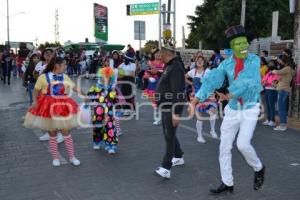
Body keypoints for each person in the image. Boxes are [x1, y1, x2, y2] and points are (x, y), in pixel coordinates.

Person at [189, 25, 265, 194]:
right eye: (238, 43)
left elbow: (248, 80)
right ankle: (227, 182)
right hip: (232, 110)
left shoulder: (254, 60)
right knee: (224, 147)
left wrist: (229, 94)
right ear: (232, 47)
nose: (243, 46)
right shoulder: (225, 64)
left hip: (250, 107)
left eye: (245, 42)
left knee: (243, 144)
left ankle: (258, 168)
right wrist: (195, 100)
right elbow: (211, 80)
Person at [24, 57, 86, 167]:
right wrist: (34, 101)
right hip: (47, 107)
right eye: (64, 64)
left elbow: (75, 88)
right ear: (57, 65)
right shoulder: (43, 77)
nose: (66, 66)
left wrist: (85, 95)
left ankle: (72, 157)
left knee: (66, 133)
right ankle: (55, 157)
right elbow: (35, 90)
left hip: (62, 107)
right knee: (52, 133)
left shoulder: (65, 77)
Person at [154, 43, 185, 179]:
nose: (159, 57)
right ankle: (178, 156)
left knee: (169, 136)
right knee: (169, 133)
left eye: (161, 54)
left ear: (168, 54)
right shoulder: (170, 66)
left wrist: (176, 113)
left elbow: (178, 92)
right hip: (165, 106)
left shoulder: (176, 67)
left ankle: (166, 167)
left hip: (170, 107)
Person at [185, 55, 218, 143]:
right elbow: (184, 77)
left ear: (204, 62)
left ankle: (212, 130)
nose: (199, 62)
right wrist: (191, 83)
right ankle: (199, 136)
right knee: (199, 116)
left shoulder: (208, 71)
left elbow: (213, 82)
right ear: (195, 62)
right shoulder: (193, 71)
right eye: (198, 60)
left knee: (213, 111)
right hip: (197, 96)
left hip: (207, 95)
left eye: (201, 60)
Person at [88, 64, 119, 154]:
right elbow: (90, 96)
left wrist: (117, 110)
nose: (105, 79)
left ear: (111, 78)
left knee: (110, 127)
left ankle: (110, 145)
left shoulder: (112, 89)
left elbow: (116, 100)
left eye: (108, 77)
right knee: (98, 127)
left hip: (109, 113)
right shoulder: (95, 88)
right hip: (98, 112)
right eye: (103, 77)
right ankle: (97, 142)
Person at [272, 55, 294, 131]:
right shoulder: (288, 69)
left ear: (283, 60)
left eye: (279, 60)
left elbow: (276, 72)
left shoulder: (287, 68)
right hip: (283, 90)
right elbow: (281, 78)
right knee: (281, 108)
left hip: (283, 90)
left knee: (281, 109)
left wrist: (273, 70)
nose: (279, 62)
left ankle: (283, 125)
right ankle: (282, 124)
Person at [143, 49, 164, 125]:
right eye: (156, 53)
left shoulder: (164, 63)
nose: (158, 55)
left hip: (161, 83)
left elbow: (166, 72)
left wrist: (159, 72)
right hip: (152, 84)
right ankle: (156, 118)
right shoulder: (150, 62)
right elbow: (146, 72)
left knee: (160, 101)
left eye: (159, 53)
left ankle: (161, 117)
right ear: (154, 55)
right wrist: (149, 78)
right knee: (154, 103)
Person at [262, 60, 279, 127]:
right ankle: (268, 119)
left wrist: (267, 82)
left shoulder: (276, 72)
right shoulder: (268, 72)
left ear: (275, 64)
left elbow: (275, 81)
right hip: (266, 89)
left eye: (271, 63)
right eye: (269, 63)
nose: (269, 64)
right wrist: (264, 82)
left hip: (272, 90)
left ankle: (273, 120)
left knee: (271, 106)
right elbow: (263, 79)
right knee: (268, 105)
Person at [119, 51, 136, 116]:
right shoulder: (121, 65)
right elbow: (120, 75)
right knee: (124, 96)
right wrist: (127, 73)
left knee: (130, 96)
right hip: (124, 82)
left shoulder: (133, 65)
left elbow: (132, 74)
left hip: (131, 82)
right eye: (124, 58)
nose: (125, 60)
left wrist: (124, 73)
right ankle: (126, 110)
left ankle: (133, 110)